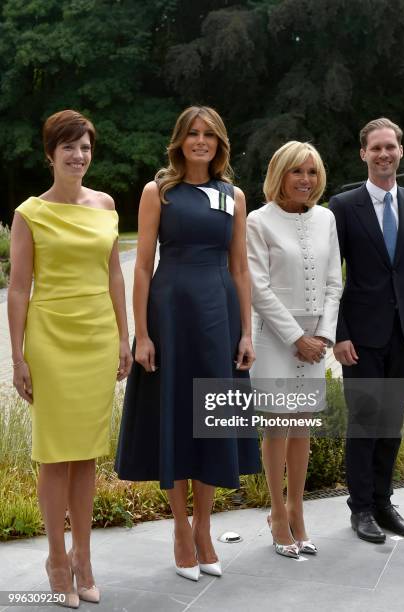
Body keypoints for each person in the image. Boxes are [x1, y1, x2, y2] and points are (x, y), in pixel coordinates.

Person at [115, 106, 260, 581]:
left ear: (220, 143)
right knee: (177, 415)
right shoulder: (159, 192)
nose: (201, 141)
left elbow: (240, 267)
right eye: (193, 134)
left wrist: (246, 330)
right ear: (179, 140)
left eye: (210, 135)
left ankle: (204, 528)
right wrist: (143, 333)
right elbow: (140, 266)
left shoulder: (233, 195)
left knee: (214, 418)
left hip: (218, 314)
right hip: (171, 312)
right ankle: (180, 528)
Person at [8, 110, 132, 607]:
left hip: (98, 336)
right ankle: (56, 559)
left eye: (85, 147)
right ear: (50, 154)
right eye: (69, 147)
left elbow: (115, 276)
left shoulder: (105, 204)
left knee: (87, 453)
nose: (79, 156)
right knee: (54, 453)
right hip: (51, 338)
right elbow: (18, 290)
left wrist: (125, 338)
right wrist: (17, 357)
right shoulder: (29, 213)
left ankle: (84, 558)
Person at [329, 117, 404, 543]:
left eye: (390, 146)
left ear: (400, 150)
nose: (384, 154)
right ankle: (360, 509)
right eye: (375, 148)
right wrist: (339, 333)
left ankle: (383, 502)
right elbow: (330, 275)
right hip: (360, 334)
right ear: (363, 154)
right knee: (365, 419)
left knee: (392, 420)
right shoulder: (343, 206)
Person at [246, 141, 342, 557]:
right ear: (279, 174)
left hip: (316, 342)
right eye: (297, 172)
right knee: (278, 426)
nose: (306, 180)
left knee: (302, 426)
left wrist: (323, 336)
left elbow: (335, 283)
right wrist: (295, 338)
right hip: (275, 339)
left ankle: (297, 509)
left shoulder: (327, 219)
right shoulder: (257, 220)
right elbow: (257, 287)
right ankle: (277, 514)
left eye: (313, 172)